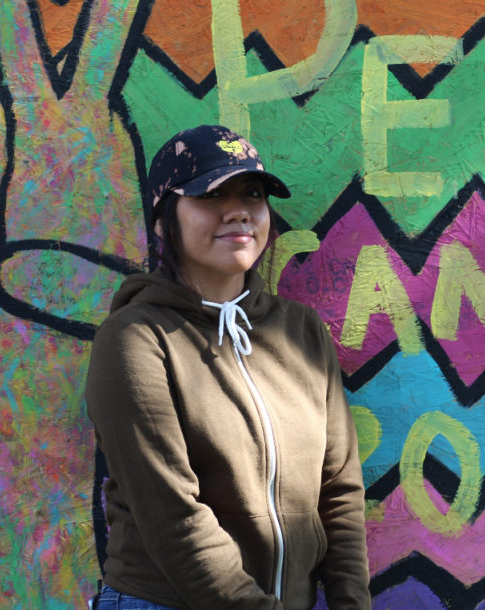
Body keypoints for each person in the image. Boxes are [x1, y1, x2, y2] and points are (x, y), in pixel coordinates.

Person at [86, 125, 371, 610]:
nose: (238, 209)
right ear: (163, 221)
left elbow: (339, 491)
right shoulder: (136, 340)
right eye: (210, 194)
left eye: (252, 194)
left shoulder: (301, 331)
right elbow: (175, 520)